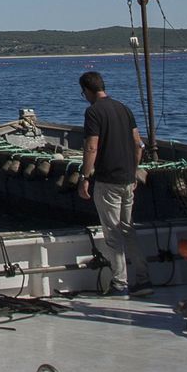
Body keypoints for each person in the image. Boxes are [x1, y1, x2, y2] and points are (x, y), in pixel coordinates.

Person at [77, 71, 147, 297]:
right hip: (128, 179)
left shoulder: (93, 112)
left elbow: (91, 147)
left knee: (113, 233)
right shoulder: (124, 109)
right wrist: (134, 170)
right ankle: (144, 280)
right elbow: (138, 144)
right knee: (128, 229)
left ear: (86, 90)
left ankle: (120, 283)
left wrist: (85, 177)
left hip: (108, 180)